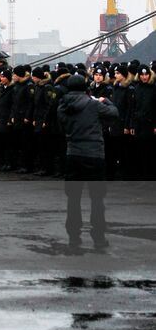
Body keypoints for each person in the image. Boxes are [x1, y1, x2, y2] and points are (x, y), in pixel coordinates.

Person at [57, 73, 118, 250]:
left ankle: (74, 237)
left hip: (73, 153)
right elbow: (114, 114)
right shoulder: (93, 105)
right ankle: (98, 237)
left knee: (73, 199)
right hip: (94, 154)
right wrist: (105, 101)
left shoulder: (62, 106)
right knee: (97, 199)